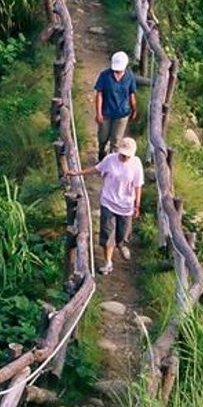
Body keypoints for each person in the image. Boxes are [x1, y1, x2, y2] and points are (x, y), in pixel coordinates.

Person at [81, 135, 144, 275]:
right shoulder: (110, 159)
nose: (124, 157)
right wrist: (79, 173)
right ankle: (108, 262)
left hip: (126, 205)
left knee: (123, 232)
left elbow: (138, 185)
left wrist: (137, 204)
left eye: (127, 156)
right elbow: (97, 169)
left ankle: (121, 244)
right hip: (108, 202)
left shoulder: (136, 164)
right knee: (107, 233)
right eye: (122, 154)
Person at [94, 51, 137, 161]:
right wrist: (98, 113)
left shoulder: (130, 76)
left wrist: (134, 109)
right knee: (103, 137)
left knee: (116, 140)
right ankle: (101, 152)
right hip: (106, 112)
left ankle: (112, 161)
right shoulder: (105, 76)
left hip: (122, 113)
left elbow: (131, 93)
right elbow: (99, 94)